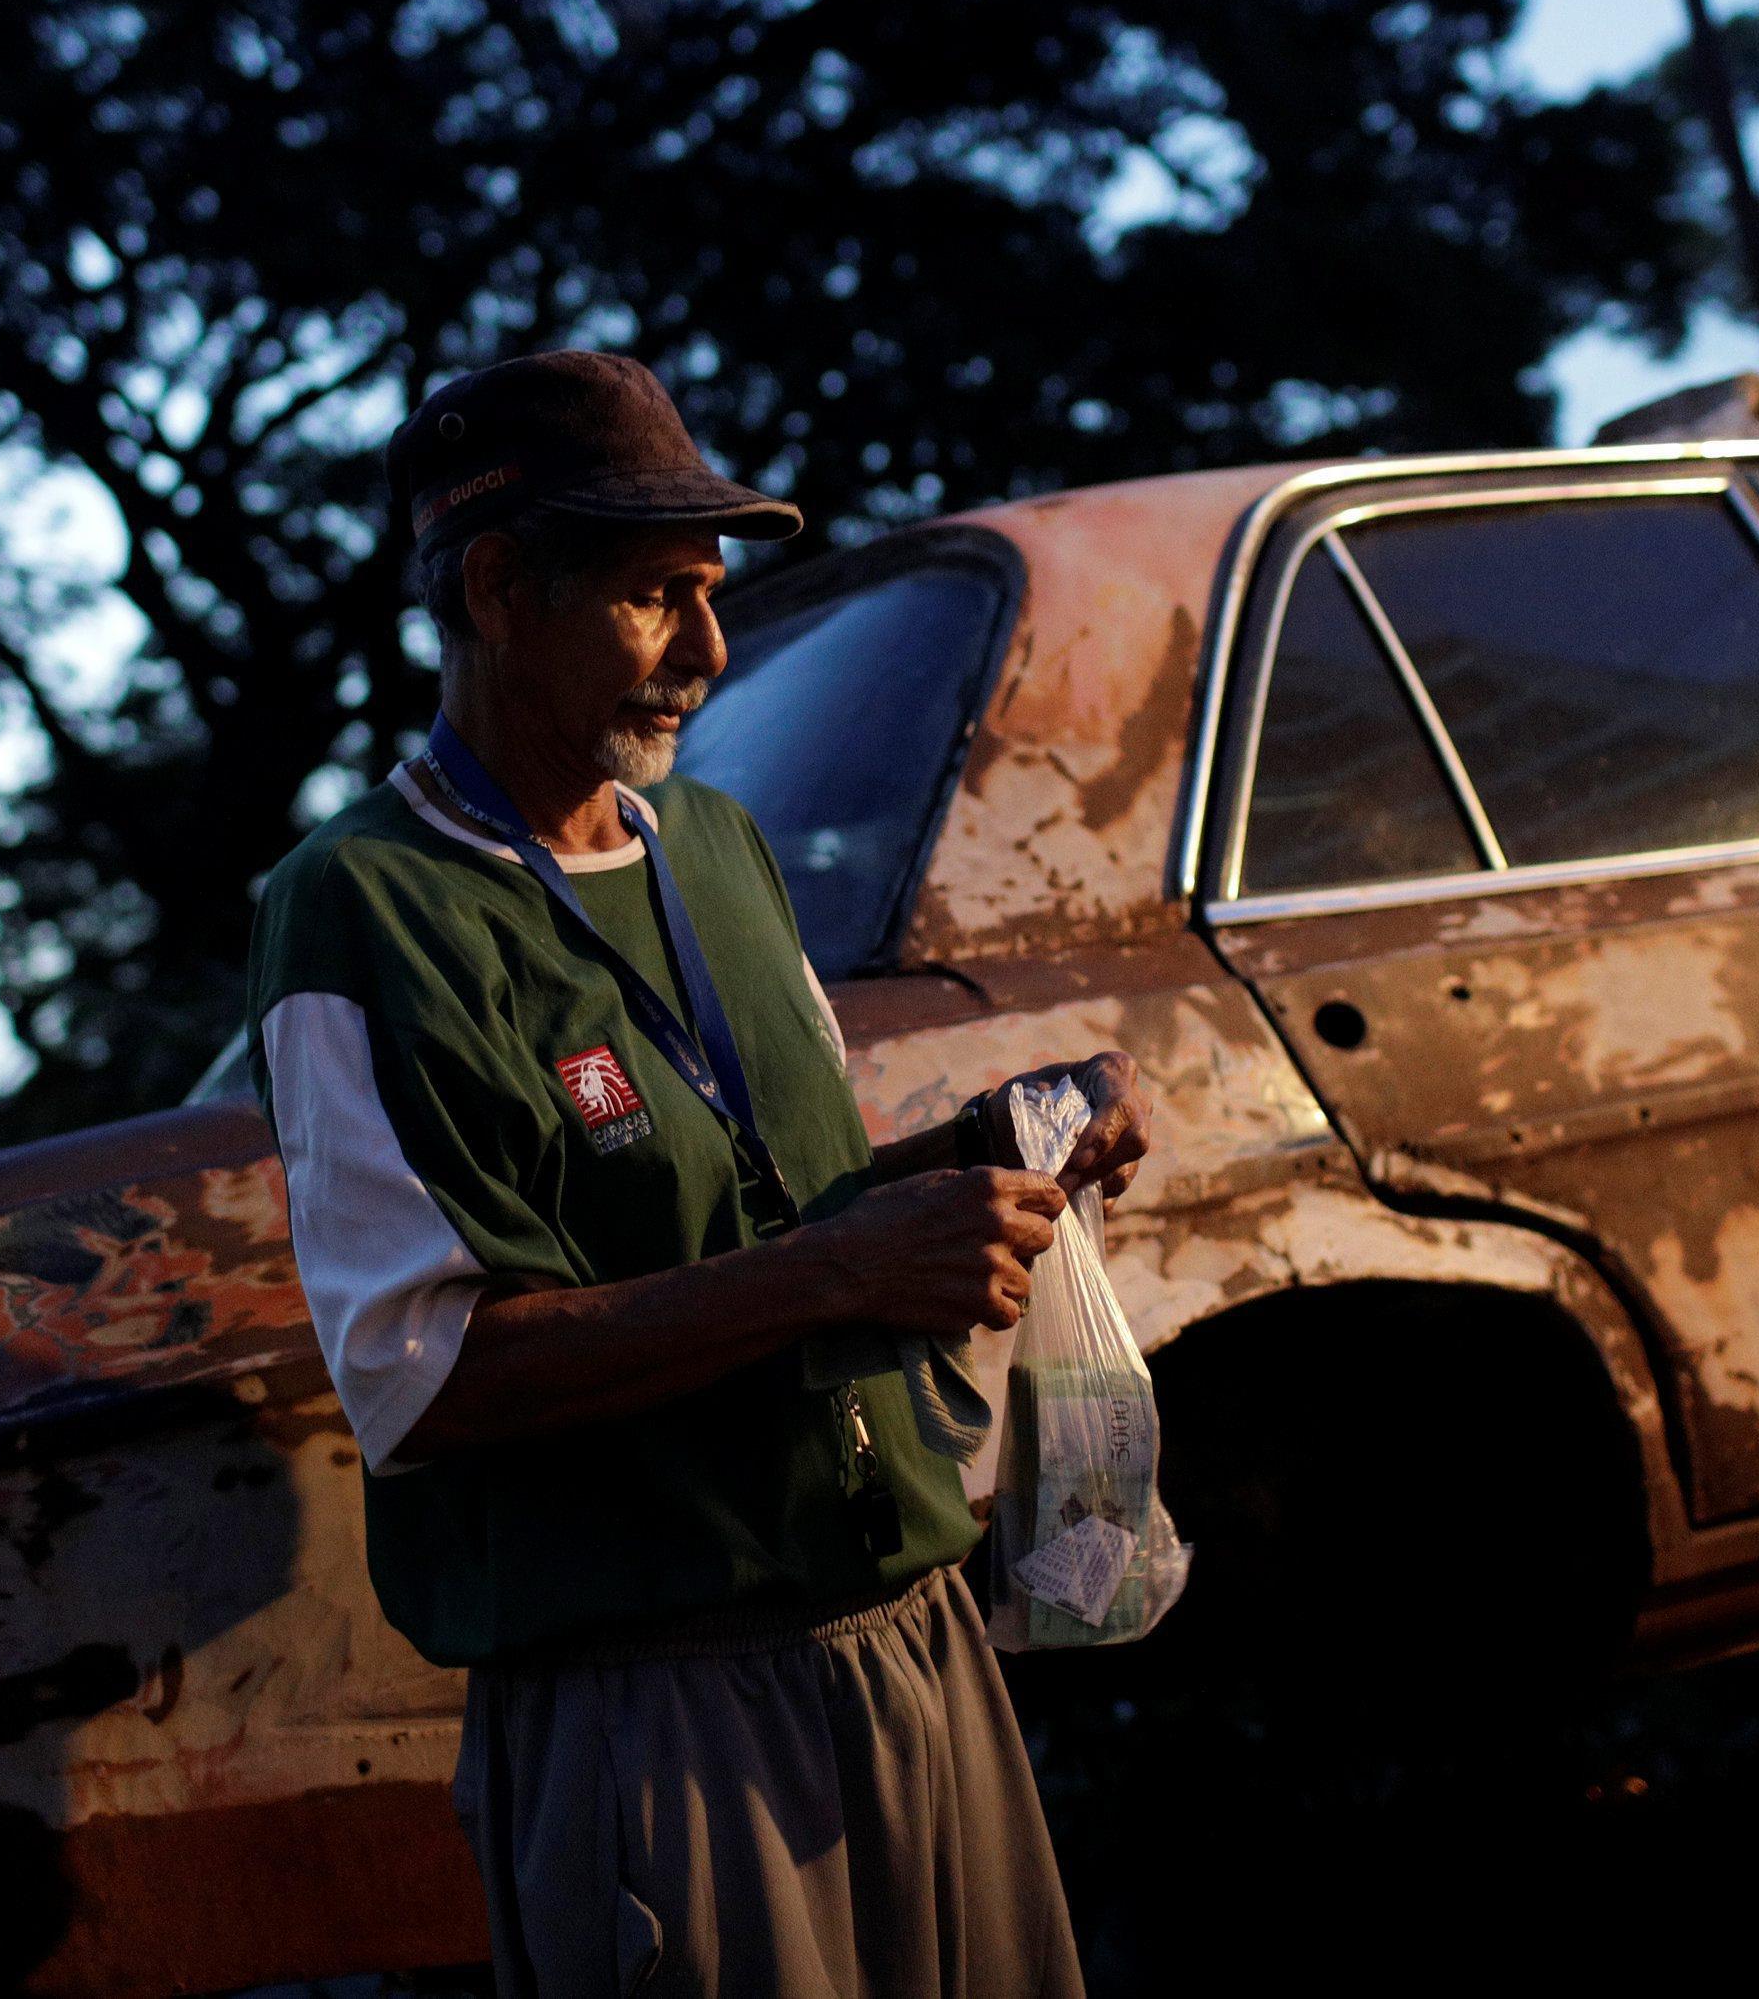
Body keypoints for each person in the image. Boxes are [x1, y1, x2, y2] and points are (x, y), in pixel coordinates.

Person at [248, 349, 1148, 1999]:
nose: (712, 654)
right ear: (504, 588)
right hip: (660, 1711)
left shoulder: (713, 852)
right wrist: (848, 1272)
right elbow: (421, 1379)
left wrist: (991, 1151)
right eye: (662, 597)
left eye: (715, 596)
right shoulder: (364, 914)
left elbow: (772, 1208)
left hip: (910, 1648)